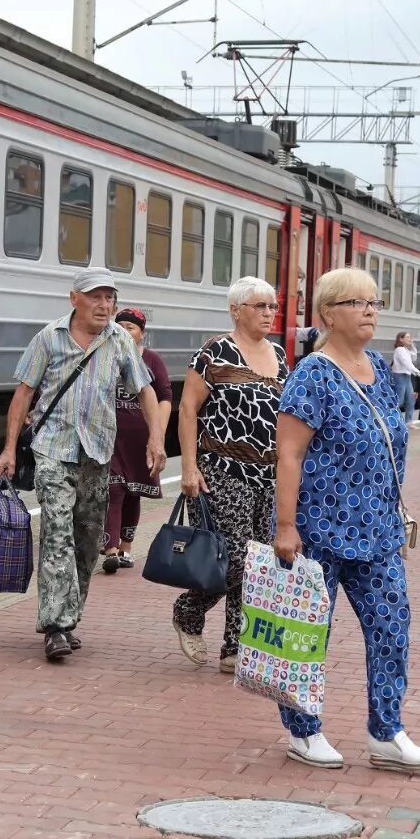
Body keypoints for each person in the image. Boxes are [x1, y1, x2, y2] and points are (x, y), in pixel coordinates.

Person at [273, 267, 420, 772]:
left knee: (391, 626)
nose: (370, 310)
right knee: (307, 633)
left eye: (373, 301)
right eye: (356, 302)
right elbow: (289, 455)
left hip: (378, 528)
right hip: (318, 528)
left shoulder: (381, 368)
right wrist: (285, 526)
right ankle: (304, 731)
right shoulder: (312, 375)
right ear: (327, 314)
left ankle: (386, 732)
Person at [0, 269, 164, 662]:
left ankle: (70, 617)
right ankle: (54, 624)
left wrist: (156, 439)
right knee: (56, 532)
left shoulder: (120, 340)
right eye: (96, 298)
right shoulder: (48, 338)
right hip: (54, 448)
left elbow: (145, 390)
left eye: (110, 298)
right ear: (75, 299)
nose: (105, 306)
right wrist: (8, 449)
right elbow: (23, 395)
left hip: (98, 453)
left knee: (89, 540)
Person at [173, 277, 291, 673]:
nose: (268, 313)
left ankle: (233, 648)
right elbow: (188, 410)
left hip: (268, 476)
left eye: (272, 306)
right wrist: (188, 467)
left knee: (257, 563)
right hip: (221, 470)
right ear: (235, 310)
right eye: (259, 306)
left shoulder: (278, 354)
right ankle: (189, 609)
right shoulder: (215, 350)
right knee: (233, 558)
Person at [102, 307, 172, 574]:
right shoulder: (107, 356)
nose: (124, 330)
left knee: (133, 493)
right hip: (110, 438)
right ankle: (110, 549)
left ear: (142, 333)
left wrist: (158, 434)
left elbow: (165, 396)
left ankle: (126, 548)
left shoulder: (152, 360)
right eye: (119, 325)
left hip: (139, 440)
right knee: (114, 489)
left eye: (130, 327)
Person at [391, 331, 420, 428]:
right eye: (407, 337)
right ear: (401, 339)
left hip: (406, 376)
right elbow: (406, 362)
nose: (410, 339)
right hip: (400, 376)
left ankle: (409, 421)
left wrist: (412, 346)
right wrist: (415, 371)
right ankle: (394, 421)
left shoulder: (405, 349)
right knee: (400, 400)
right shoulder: (399, 350)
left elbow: (414, 358)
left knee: (411, 399)